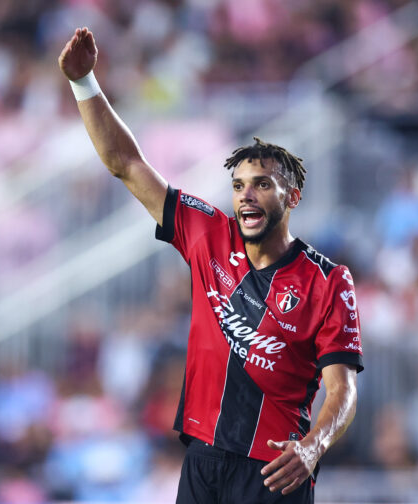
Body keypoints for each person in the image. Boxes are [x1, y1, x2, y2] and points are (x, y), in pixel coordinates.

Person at [58, 27, 363, 504]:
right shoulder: (208, 234)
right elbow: (126, 163)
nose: (246, 195)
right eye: (239, 185)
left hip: (274, 470)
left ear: (293, 196)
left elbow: (342, 390)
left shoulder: (326, 281)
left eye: (262, 184)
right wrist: (84, 83)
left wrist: (313, 447)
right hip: (202, 462)